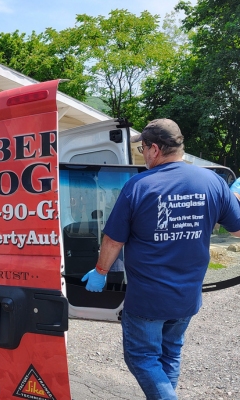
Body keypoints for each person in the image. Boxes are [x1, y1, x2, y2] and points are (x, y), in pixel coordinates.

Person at [81, 119, 240, 399]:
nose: (143, 154)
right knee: (169, 355)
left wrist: (100, 271)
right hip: (187, 297)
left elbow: (114, 240)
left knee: (141, 357)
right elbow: (238, 230)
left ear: (155, 149)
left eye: (142, 149)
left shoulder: (139, 186)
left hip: (147, 300)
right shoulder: (213, 182)